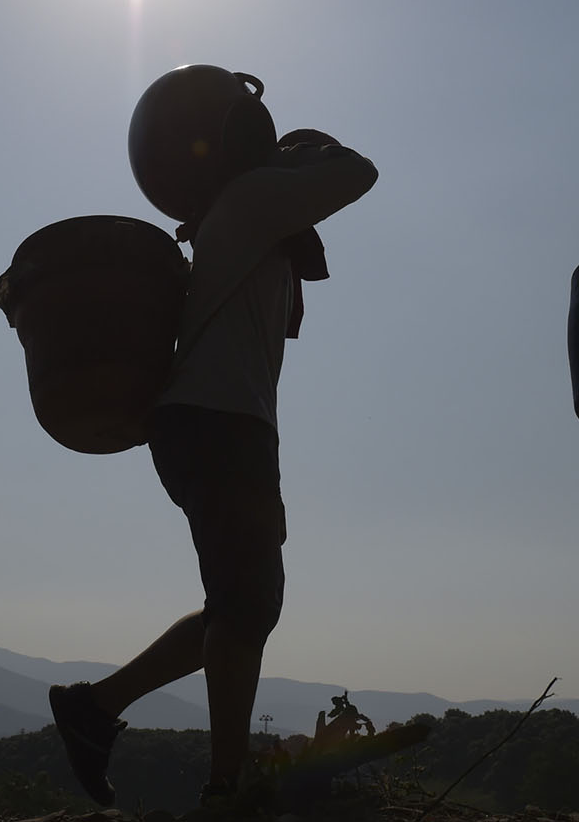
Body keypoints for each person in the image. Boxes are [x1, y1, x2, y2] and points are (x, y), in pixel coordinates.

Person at [48, 126, 377, 810]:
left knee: (242, 604)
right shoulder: (253, 197)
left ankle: (97, 707)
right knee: (246, 604)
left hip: (217, 423)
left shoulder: (244, 217)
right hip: (219, 420)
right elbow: (357, 173)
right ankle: (227, 786)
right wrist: (310, 147)